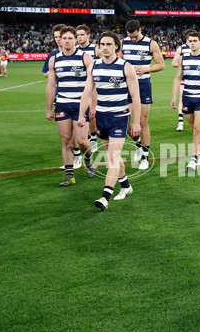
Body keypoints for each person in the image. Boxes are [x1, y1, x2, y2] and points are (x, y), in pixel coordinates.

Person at [79, 31, 141, 211]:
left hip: (120, 117)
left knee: (113, 157)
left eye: (108, 44)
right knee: (113, 156)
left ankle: (105, 196)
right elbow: (87, 92)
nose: (105, 48)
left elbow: (136, 96)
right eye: (102, 44)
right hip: (101, 117)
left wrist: (136, 122)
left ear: (116, 46)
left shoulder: (126, 67)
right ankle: (126, 186)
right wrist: (81, 114)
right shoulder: (94, 66)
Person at [46, 26, 95, 186]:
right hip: (62, 104)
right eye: (63, 38)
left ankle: (88, 157)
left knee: (81, 140)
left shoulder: (85, 57)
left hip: (80, 105)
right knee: (66, 140)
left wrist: (92, 105)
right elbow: (51, 85)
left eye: (69, 38)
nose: (66, 41)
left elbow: (92, 84)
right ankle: (69, 175)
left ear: (75, 40)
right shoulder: (54, 59)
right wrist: (48, 108)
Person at [120, 20, 165, 170]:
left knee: (143, 121)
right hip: (126, 85)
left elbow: (161, 65)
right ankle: (138, 143)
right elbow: (119, 62)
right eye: (130, 36)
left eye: (135, 35)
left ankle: (145, 157)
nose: (133, 39)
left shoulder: (151, 44)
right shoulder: (123, 43)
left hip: (143, 84)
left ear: (140, 30)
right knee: (126, 122)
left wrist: (146, 69)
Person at [171, 30, 200, 173]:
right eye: (189, 41)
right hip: (187, 97)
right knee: (193, 129)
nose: (192, 43)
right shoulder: (183, 58)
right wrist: (174, 97)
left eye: (194, 41)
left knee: (198, 128)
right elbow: (178, 78)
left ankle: (193, 158)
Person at [75, 24, 100, 153]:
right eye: (77, 35)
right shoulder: (75, 50)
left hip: (95, 86)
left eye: (82, 35)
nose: (79, 37)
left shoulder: (96, 50)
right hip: (80, 87)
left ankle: (94, 138)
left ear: (88, 35)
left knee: (92, 114)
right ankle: (88, 139)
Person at [171, 29, 194, 132]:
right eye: (190, 39)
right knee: (181, 99)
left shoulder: (198, 48)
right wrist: (187, 65)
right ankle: (180, 122)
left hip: (197, 80)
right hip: (185, 79)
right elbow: (173, 63)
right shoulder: (182, 48)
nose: (191, 42)